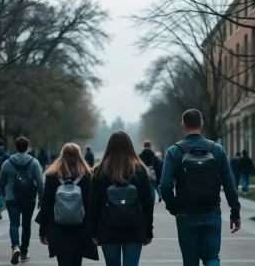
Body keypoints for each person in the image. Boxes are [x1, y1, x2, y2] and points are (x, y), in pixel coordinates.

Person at [161, 109, 241, 266]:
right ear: (202, 125)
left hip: (185, 214)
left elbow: (165, 185)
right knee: (212, 257)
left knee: (190, 261)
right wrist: (235, 212)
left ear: (183, 127)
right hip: (211, 211)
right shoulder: (217, 149)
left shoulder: (174, 151)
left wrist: (174, 209)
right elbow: (229, 183)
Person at [89, 131, 154, 266]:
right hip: (135, 228)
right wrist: (148, 230)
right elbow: (148, 202)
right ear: (130, 146)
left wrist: (94, 231)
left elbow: (93, 204)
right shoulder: (140, 170)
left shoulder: (99, 171)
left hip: (107, 229)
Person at [39, 143, 98, 266]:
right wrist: (94, 229)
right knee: (77, 261)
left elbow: (46, 204)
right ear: (79, 156)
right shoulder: (87, 176)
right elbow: (91, 204)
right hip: (80, 227)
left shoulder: (52, 175)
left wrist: (43, 231)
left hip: (58, 227)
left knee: (63, 261)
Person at [0, 137, 44, 265]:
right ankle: (24, 253)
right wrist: (41, 198)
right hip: (29, 198)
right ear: (27, 147)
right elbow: (40, 182)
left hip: (12, 197)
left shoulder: (7, 163)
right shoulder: (34, 162)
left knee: (14, 223)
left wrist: (5, 195)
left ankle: (15, 247)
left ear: (15, 147)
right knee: (26, 225)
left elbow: (0, 182)